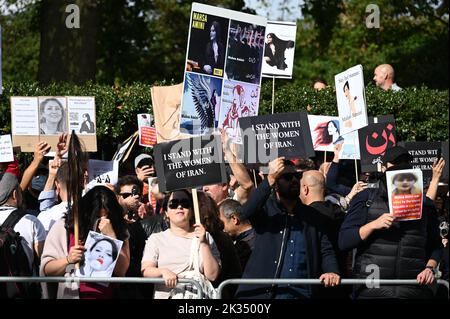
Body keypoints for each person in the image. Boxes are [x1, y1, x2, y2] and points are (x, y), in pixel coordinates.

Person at [338, 146, 442, 299]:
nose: (401, 167)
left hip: (413, 289)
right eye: (396, 163)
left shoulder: (425, 205)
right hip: (372, 289)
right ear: (384, 167)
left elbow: (436, 245)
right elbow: (344, 241)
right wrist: (373, 225)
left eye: (405, 163)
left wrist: (430, 268)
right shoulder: (366, 198)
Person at [40, 133, 130, 299]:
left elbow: (122, 270)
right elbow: (46, 268)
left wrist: (111, 236)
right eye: (97, 216)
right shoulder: (65, 226)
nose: (103, 220)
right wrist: (68, 259)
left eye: (107, 215)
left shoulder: (118, 229)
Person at [235, 158, 341, 299]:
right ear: (276, 184)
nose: (294, 181)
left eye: (297, 176)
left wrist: (332, 271)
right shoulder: (266, 210)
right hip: (265, 293)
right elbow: (245, 212)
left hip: (302, 293)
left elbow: (325, 249)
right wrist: (270, 178)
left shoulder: (313, 215)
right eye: (287, 177)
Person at [141, 190, 221, 299]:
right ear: (166, 213)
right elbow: (146, 271)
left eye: (185, 204)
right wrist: (163, 271)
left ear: (192, 211)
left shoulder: (205, 236)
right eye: (173, 204)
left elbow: (212, 275)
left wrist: (203, 243)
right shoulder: (156, 239)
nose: (179, 207)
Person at [219, 199, 255, 271]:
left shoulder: (247, 245)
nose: (222, 229)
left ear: (234, 219)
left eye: (222, 223)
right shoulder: (257, 236)